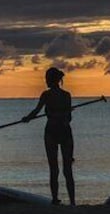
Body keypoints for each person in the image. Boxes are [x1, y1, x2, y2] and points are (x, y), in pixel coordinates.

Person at [22, 67, 75, 205]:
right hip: (64, 131)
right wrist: (28, 117)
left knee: (54, 169)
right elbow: (69, 118)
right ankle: (72, 202)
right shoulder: (67, 95)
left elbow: (36, 111)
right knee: (67, 169)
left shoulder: (46, 95)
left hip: (52, 132)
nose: (45, 81)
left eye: (46, 78)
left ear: (51, 80)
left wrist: (28, 118)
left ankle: (55, 200)